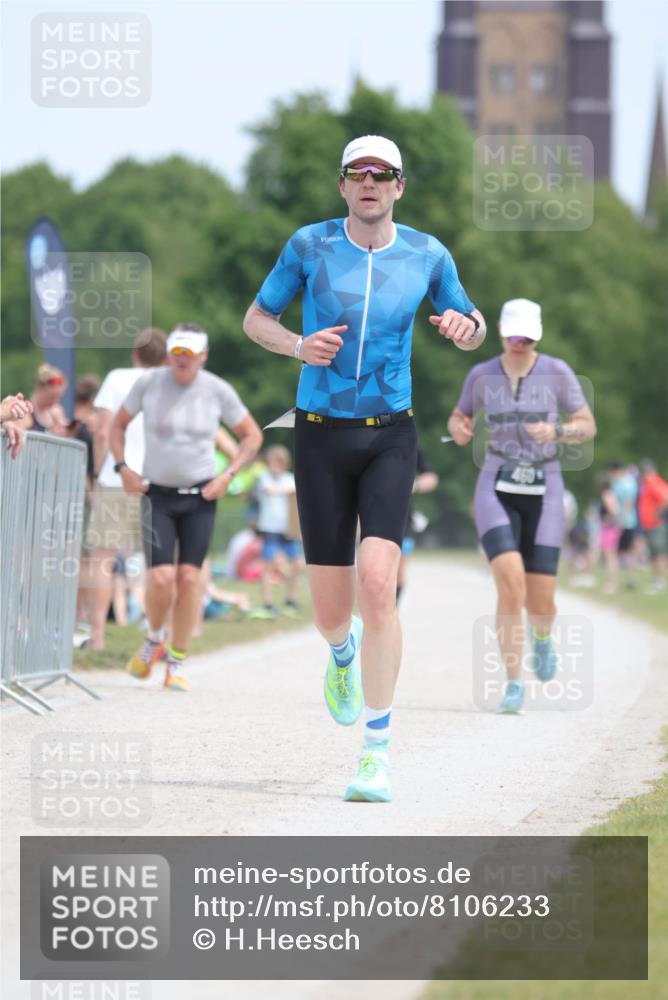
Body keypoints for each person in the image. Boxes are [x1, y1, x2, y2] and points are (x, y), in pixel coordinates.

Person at [243, 134, 485, 801]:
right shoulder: (309, 245)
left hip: (390, 435)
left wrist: (468, 329)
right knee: (331, 612)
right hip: (319, 435)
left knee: (379, 586)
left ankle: (375, 752)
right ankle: (341, 654)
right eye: (358, 172)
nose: (371, 182)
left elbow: (471, 318)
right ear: (344, 185)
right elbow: (254, 319)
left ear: (399, 187)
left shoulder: (427, 253)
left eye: (384, 174)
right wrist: (298, 345)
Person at [447, 298, 596, 714]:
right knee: (510, 583)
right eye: (513, 334)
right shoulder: (481, 375)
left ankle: (543, 637)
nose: (520, 342)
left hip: (545, 486)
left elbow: (587, 425)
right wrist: (459, 429)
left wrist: (558, 430)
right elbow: (458, 419)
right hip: (496, 484)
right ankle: (514, 683)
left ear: (537, 335)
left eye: (527, 336)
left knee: (540, 601)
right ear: (500, 331)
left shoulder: (557, 372)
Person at [111, 322, 263, 692]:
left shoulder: (216, 390)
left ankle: (176, 661)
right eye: (177, 352)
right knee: (161, 578)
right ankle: (153, 639)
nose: (182, 360)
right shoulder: (149, 384)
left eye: (189, 354)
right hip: (157, 494)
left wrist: (228, 476)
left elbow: (252, 436)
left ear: (202, 356)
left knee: (190, 578)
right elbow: (116, 427)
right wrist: (123, 469)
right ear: (170, 354)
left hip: (200, 497)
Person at [88, 328, 168, 649]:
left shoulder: (117, 378)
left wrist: (96, 474)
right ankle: (155, 634)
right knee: (157, 563)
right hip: (156, 479)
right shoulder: (169, 382)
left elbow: (102, 432)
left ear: (135, 353)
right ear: (164, 357)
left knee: (102, 560)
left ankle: (97, 636)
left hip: (116, 477)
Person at [251, 444, 304, 620]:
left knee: (297, 563)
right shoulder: (264, 478)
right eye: (271, 462)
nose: (274, 465)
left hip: (287, 529)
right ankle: (267, 603)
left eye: (277, 462)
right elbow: (271, 491)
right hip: (270, 529)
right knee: (268, 566)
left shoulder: (289, 478)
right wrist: (289, 490)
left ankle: (290, 599)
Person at [396, 444, 439, 604]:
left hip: (404, 519)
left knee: (398, 571)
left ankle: (393, 611)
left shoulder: (411, 444)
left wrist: (415, 484)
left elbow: (432, 478)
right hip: (371, 511)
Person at [638, 459, 668, 594]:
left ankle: (660, 581)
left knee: (658, 554)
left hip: (655, 525)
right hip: (650, 525)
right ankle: (656, 580)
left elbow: (665, 499)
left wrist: (657, 514)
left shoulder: (652, 481)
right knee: (654, 554)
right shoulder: (650, 482)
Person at [609, 462, 640, 588]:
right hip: (631, 521)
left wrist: (621, 521)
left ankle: (614, 582)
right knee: (630, 552)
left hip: (623, 522)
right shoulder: (631, 482)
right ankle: (631, 579)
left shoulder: (620, 483)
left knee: (615, 553)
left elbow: (627, 503)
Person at [598, 474, 621, 595]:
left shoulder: (606, 495)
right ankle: (612, 583)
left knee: (610, 557)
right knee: (612, 557)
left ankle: (612, 584)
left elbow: (613, 511)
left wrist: (607, 519)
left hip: (608, 528)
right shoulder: (611, 494)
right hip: (612, 528)